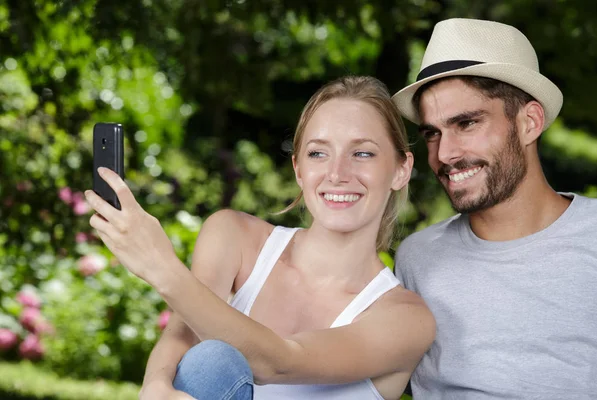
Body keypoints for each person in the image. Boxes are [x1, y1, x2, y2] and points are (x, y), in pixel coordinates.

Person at [84, 75, 436, 400]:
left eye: (362, 153)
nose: (337, 173)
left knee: (217, 357)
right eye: (318, 153)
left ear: (401, 169)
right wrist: (156, 386)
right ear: (299, 169)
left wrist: (162, 269)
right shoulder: (234, 238)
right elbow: (181, 333)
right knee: (210, 362)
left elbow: (279, 362)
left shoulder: (405, 320)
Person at [391, 18, 597, 399]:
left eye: (467, 123)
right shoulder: (417, 259)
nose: (445, 154)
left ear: (529, 122)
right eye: (432, 133)